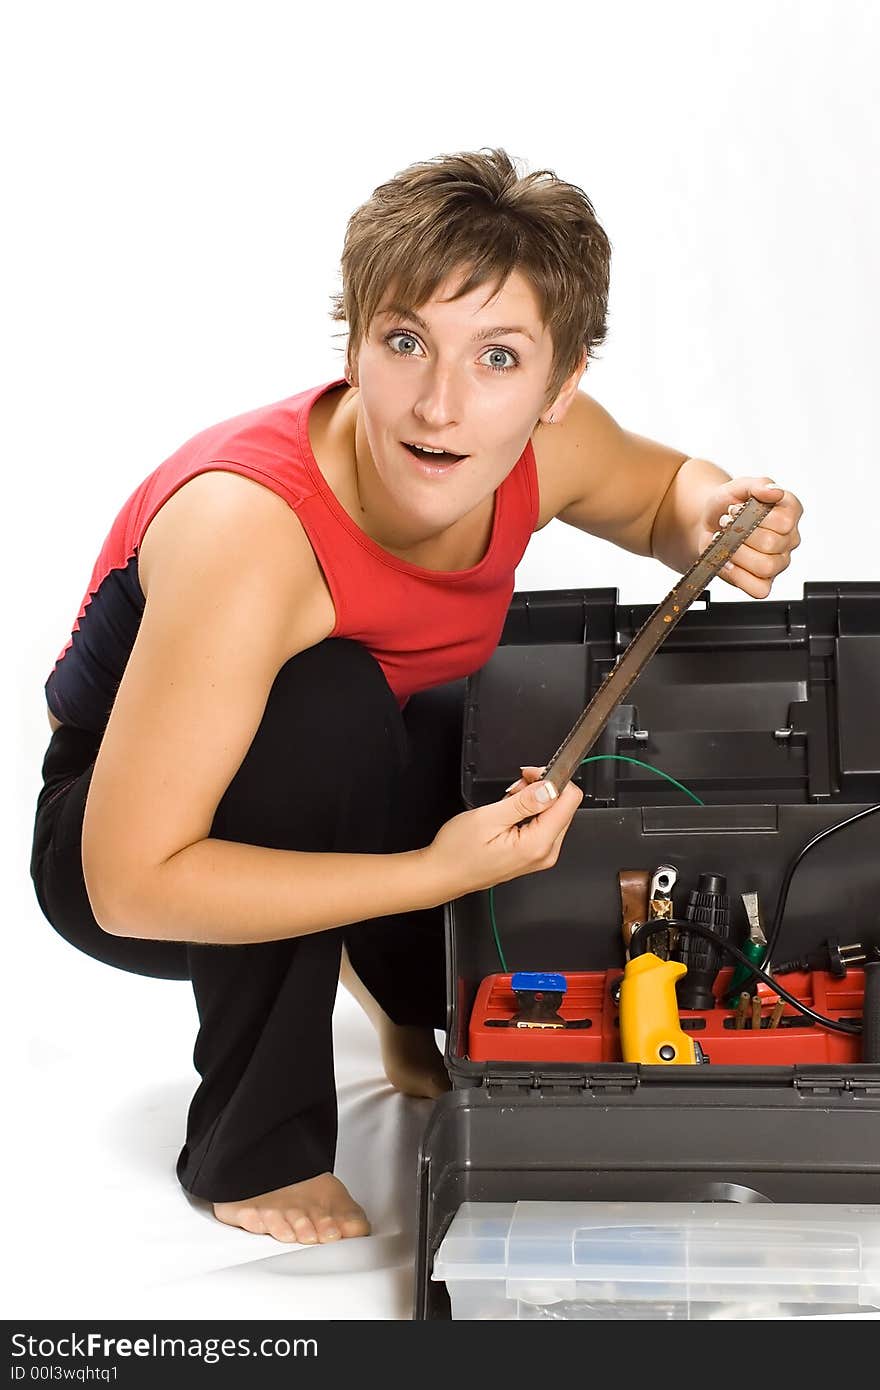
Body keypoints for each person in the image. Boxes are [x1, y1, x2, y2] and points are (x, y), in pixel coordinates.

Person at [30, 148, 803, 1248]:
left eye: (498, 357)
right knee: (328, 701)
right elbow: (126, 884)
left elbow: (661, 498)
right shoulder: (249, 531)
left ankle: (404, 1000)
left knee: (492, 701)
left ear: (559, 384)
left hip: (352, 771)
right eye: (404, 343)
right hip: (130, 841)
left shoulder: (546, 444)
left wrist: (723, 512)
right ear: (352, 342)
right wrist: (432, 872)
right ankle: (252, 1147)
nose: (441, 405)